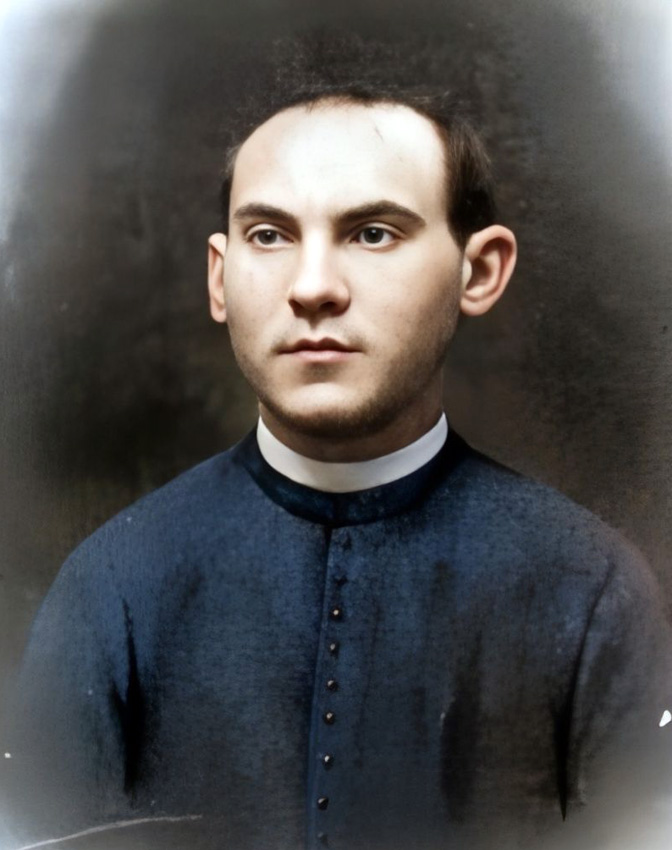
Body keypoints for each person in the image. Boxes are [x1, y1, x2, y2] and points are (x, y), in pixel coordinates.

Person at [2, 37, 671, 850]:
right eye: (269, 235)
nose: (313, 287)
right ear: (219, 277)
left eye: (373, 233)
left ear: (480, 271)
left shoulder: (592, 593)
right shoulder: (111, 590)